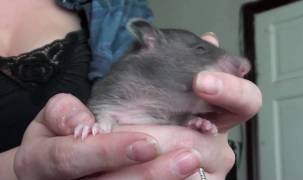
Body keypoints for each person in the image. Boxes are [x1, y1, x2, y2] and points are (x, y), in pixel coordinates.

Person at [0, 0, 262, 179]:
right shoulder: (122, 86)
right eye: (200, 50)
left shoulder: (117, 7)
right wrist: (17, 169)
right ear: (149, 41)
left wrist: (204, 164)